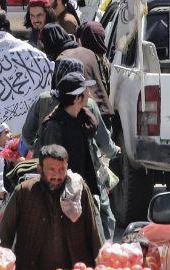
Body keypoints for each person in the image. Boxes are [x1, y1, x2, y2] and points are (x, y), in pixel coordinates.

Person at [0, 144, 102, 270]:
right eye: (51, 169)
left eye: (62, 169)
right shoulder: (24, 192)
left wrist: (102, 269)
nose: (57, 175)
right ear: (40, 169)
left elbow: (94, 232)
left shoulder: (78, 191)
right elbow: (5, 235)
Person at [39, 73, 114, 241]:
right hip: (65, 201)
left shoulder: (82, 120)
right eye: (85, 91)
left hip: (86, 194)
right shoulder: (54, 127)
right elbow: (51, 172)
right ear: (76, 99)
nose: (89, 94)